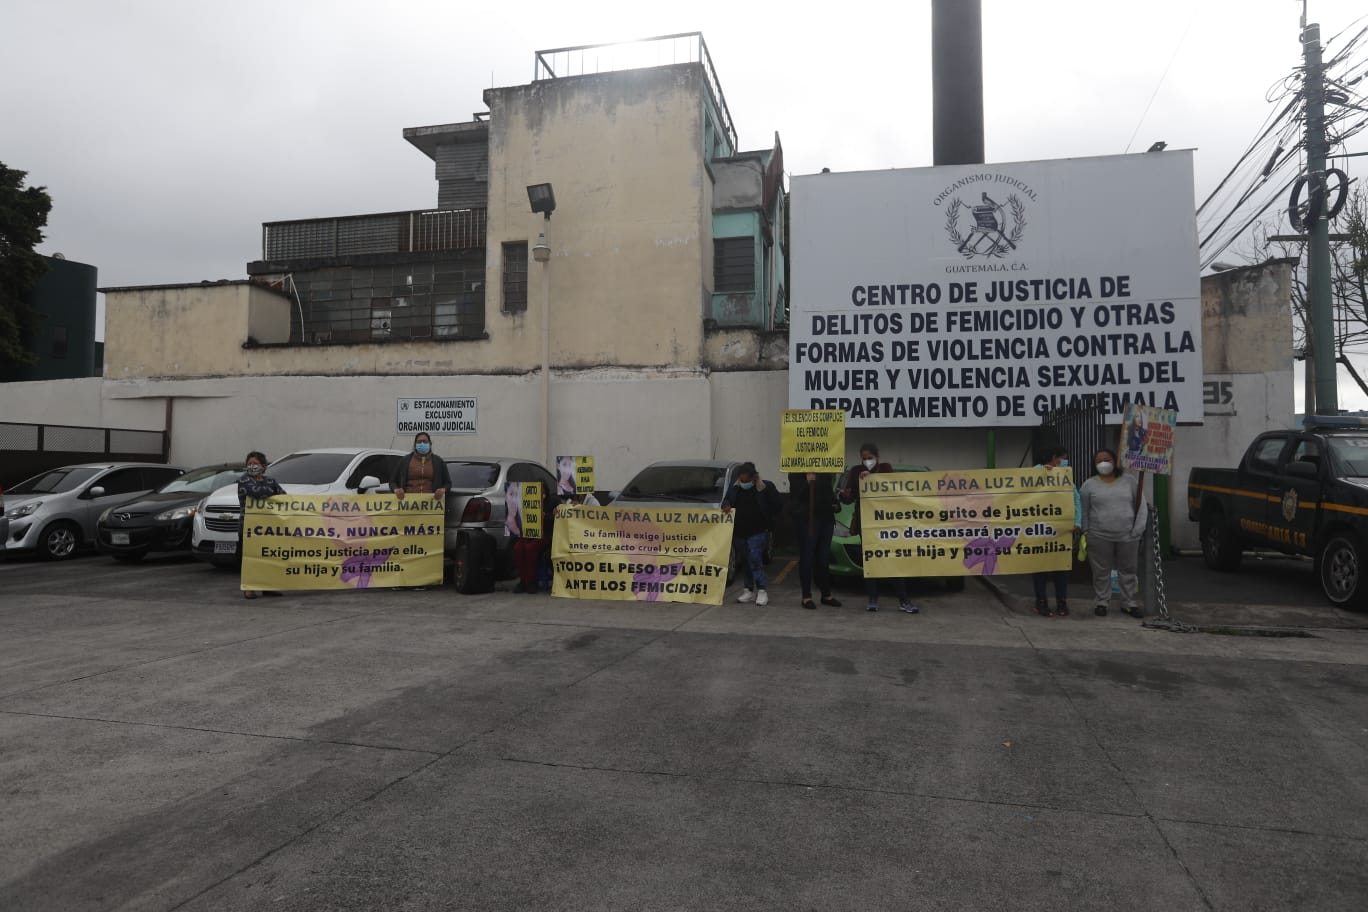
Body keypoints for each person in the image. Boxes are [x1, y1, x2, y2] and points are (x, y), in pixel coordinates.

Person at [839, 442, 917, 613]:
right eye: (864, 459)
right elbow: (849, 497)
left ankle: (903, 599)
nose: (867, 461)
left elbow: (890, 486)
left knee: (892, 561)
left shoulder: (886, 468)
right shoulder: (855, 472)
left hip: (885, 524)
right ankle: (873, 598)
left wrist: (872, 477)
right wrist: (844, 495)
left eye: (870, 458)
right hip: (865, 523)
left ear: (877, 457)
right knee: (871, 561)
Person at [1080, 447, 1146, 618]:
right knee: (1101, 571)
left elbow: (1141, 506)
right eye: (1099, 461)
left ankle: (1129, 603)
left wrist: (1137, 530)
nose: (1103, 463)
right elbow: (1084, 511)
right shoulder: (1088, 485)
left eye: (1107, 459)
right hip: (1098, 535)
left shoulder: (1130, 481)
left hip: (1128, 535)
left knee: (1128, 570)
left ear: (1115, 461)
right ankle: (1102, 602)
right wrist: (1086, 531)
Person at [721, 462, 782, 607]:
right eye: (741, 480)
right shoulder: (734, 488)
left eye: (747, 480)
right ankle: (748, 589)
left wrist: (769, 519)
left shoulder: (765, 487)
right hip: (740, 532)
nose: (744, 482)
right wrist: (726, 505)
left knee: (755, 558)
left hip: (758, 531)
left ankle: (762, 590)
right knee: (748, 560)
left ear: (753, 477)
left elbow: (777, 505)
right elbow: (726, 500)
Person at [1030, 446, 1081, 617]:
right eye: (1063, 458)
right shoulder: (1034, 473)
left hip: (1062, 530)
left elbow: (1075, 498)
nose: (1065, 461)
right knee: (1040, 568)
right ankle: (1041, 601)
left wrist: (1077, 521)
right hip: (1040, 530)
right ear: (1054, 457)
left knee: (1061, 568)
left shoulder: (1065, 476)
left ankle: (1061, 602)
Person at [788, 470, 841, 610]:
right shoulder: (796, 473)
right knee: (807, 556)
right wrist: (807, 481)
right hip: (807, 519)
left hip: (826, 518)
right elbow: (796, 496)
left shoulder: (825, 472)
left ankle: (826, 595)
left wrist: (836, 504)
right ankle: (806, 596)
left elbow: (828, 491)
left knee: (823, 558)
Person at [238, 450, 285, 600]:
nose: (252, 466)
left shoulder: (270, 480)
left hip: (268, 527)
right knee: (252, 558)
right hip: (249, 527)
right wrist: (272, 494)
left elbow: (284, 496)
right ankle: (249, 588)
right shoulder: (244, 480)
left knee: (269, 557)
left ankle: (268, 587)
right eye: (249, 463)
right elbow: (257, 492)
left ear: (264, 466)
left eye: (255, 463)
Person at [510, 482, 554, 593]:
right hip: (528, 534)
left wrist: (545, 516)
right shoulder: (526, 502)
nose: (541, 493)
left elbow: (556, 519)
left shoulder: (552, 502)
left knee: (530, 549)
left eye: (542, 491)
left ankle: (531, 581)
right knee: (517, 548)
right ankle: (522, 581)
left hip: (545, 535)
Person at [391, 432, 450, 502]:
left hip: (432, 504)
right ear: (415, 445)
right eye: (419, 442)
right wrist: (396, 489)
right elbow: (392, 481)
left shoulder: (438, 461)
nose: (422, 444)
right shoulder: (405, 461)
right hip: (408, 503)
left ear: (430, 444)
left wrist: (443, 490)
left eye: (425, 442)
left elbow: (448, 483)